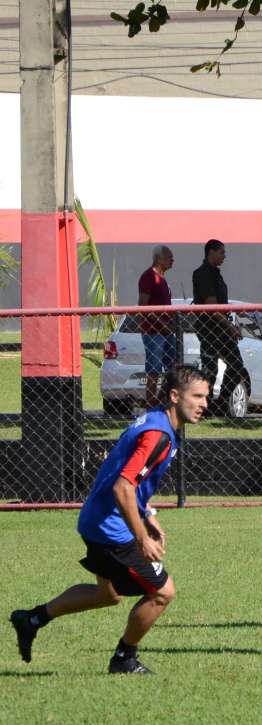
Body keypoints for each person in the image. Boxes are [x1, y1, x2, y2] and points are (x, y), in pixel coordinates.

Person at [9, 366, 210, 674]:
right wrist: (142, 537)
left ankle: (32, 619)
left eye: (206, 397)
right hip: (110, 529)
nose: (204, 404)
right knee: (162, 592)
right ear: (174, 396)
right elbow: (123, 487)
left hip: (95, 520)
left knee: (107, 594)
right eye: (197, 396)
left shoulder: (155, 422)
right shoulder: (158, 435)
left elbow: (127, 478)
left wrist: (148, 513)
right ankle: (124, 659)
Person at [192, 239, 245, 415]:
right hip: (211, 329)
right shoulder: (204, 274)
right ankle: (205, 407)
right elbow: (212, 307)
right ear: (211, 252)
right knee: (210, 370)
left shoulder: (216, 273)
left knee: (237, 366)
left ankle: (219, 405)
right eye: (221, 252)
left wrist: (231, 318)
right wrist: (231, 327)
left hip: (221, 329)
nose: (224, 256)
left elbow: (220, 305)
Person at [138, 245, 176, 410]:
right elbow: (143, 306)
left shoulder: (163, 279)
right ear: (159, 259)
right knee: (154, 368)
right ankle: (151, 404)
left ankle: (161, 399)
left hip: (166, 331)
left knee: (173, 365)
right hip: (153, 332)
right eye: (169, 257)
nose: (172, 260)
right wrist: (162, 324)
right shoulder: (148, 277)